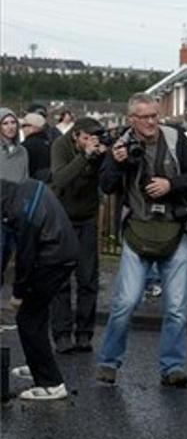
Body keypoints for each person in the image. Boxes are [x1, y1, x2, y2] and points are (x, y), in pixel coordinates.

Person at [95, 94, 187, 387]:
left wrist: (172, 184)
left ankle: (173, 366)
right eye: (144, 117)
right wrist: (117, 163)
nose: (151, 122)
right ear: (131, 119)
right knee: (125, 303)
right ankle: (108, 362)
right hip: (137, 230)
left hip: (174, 229)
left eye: (155, 115)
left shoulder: (175, 138)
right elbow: (106, 185)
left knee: (177, 308)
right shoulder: (121, 144)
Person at [2, 178, 79, 401]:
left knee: (27, 318)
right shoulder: (25, 188)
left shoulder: (23, 213)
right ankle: (37, 364)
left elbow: (25, 258)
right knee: (38, 312)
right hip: (63, 251)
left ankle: (51, 383)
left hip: (53, 258)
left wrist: (18, 294)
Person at [49, 117, 106, 354]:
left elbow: (104, 179)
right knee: (61, 279)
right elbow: (60, 178)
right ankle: (62, 334)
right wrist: (85, 156)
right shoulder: (60, 145)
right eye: (85, 138)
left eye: (93, 139)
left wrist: (100, 157)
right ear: (76, 136)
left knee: (88, 278)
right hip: (62, 217)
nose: (90, 142)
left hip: (87, 217)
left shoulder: (99, 149)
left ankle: (84, 333)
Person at [20, 112, 53, 182]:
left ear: (34, 127)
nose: (23, 129)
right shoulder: (51, 144)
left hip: (31, 186)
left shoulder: (25, 146)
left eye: (24, 126)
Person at [0, 108, 28, 183]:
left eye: (13, 122)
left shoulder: (22, 151)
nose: (10, 127)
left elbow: (25, 179)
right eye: (5, 123)